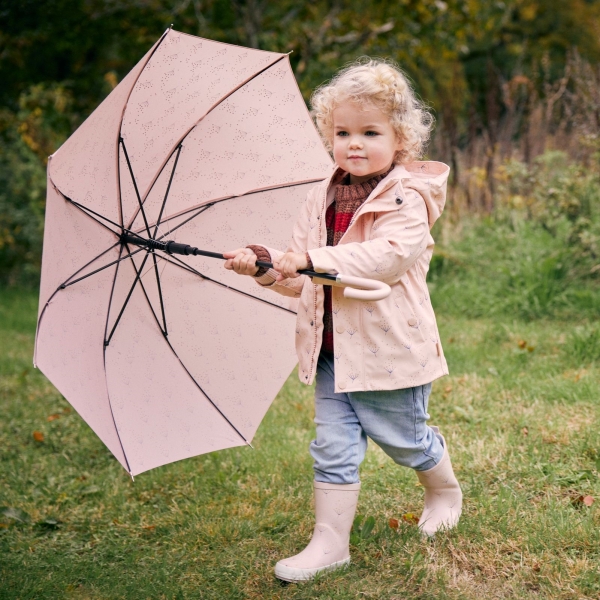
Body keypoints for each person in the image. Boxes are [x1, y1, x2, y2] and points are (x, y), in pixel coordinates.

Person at [223, 58, 461, 583]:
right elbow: (299, 272)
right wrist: (265, 265)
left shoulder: (408, 198)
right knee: (332, 445)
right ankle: (330, 544)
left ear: (400, 140)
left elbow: (387, 257)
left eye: (370, 132)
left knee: (404, 438)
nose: (354, 143)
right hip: (331, 347)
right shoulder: (319, 196)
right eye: (342, 132)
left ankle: (442, 487)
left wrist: (310, 260)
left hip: (388, 346)